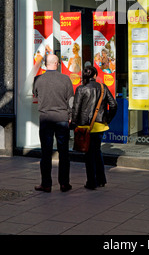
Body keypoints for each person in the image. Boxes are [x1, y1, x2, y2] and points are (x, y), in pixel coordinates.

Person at [32, 54, 74, 193]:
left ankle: (46, 184)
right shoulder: (65, 79)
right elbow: (71, 101)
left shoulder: (38, 79)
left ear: (45, 64)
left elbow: (36, 94)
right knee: (63, 153)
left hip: (45, 118)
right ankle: (64, 183)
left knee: (46, 152)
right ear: (57, 63)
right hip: (62, 118)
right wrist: (70, 115)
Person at [71, 65, 117, 189]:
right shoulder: (103, 87)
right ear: (95, 75)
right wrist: (106, 118)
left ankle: (91, 182)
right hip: (100, 126)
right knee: (97, 152)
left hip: (85, 127)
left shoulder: (81, 89)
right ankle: (101, 179)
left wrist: (73, 123)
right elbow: (113, 105)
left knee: (89, 154)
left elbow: (76, 109)